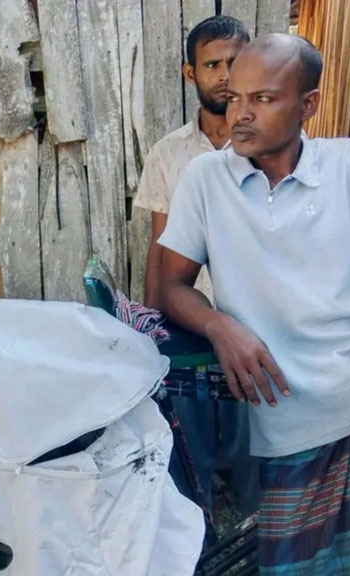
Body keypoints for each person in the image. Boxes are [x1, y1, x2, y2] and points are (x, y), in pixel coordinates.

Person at [158, 33, 350, 575]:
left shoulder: (347, 165)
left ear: (307, 104)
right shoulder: (205, 180)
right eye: (236, 97)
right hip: (285, 416)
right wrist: (220, 326)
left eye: (262, 100)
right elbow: (168, 286)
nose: (240, 114)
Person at [133, 15, 258, 518]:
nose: (225, 75)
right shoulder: (170, 153)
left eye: (235, 62)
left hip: (256, 322)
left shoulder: (272, 148)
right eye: (212, 65)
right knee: (190, 443)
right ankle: (196, 531)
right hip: (188, 316)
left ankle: (258, 533)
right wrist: (151, 327)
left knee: (253, 440)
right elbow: (161, 245)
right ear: (191, 74)